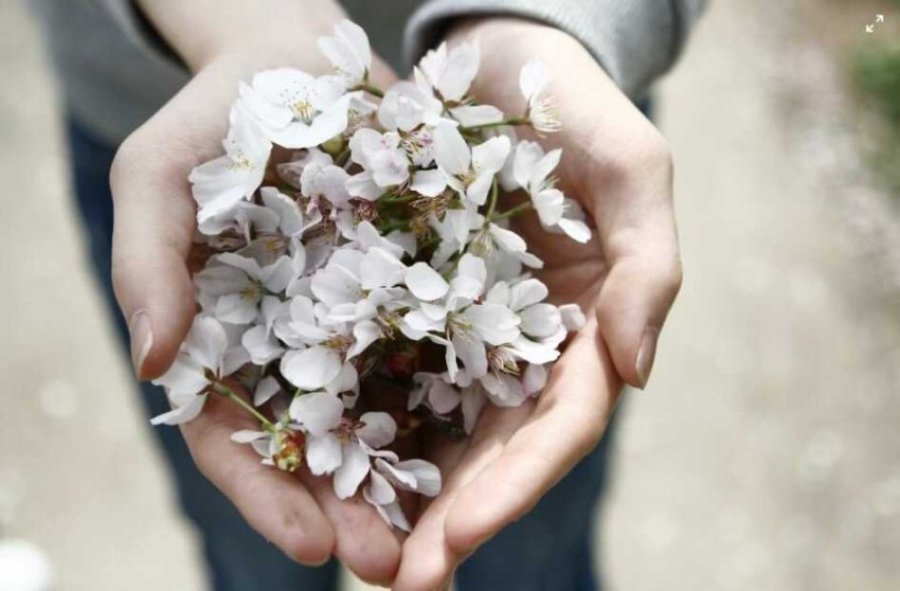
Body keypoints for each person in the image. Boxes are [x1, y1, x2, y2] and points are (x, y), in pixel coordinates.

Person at [27, 1, 702, 589]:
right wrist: (245, 19)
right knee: (257, 553)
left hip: (545, 74)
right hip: (159, 107)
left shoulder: (489, 181)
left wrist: (559, 22)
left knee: (531, 552)